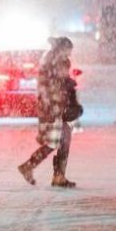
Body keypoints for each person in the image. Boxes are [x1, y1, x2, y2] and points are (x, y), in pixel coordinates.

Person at [17, 36, 80, 188]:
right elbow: (51, 85)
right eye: (68, 51)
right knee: (55, 142)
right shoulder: (53, 61)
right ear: (62, 49)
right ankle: (31, 167)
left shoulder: (55, 60)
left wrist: (68, 86)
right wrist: (66, 87)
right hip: (54, 108)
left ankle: (57, 175)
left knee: (63, 140)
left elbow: (58, 82)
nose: (69, 54)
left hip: (58, 107)